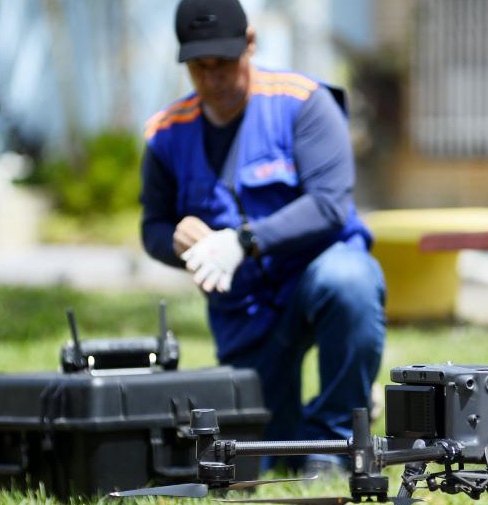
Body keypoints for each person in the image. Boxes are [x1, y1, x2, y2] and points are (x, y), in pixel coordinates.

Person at [138, 0, 385, 474]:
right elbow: (152, 226)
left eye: (223, 63)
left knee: (350, 282)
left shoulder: (303, 103)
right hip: (245, 308)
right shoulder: (167, 135)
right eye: (199, 67)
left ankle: (335, 439)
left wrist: (243, 241)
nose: (213, 79)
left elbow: (330, 205)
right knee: (265, 456)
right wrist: (176, 239)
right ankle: (309, 431)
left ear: (250, 44)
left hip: (316, 272)